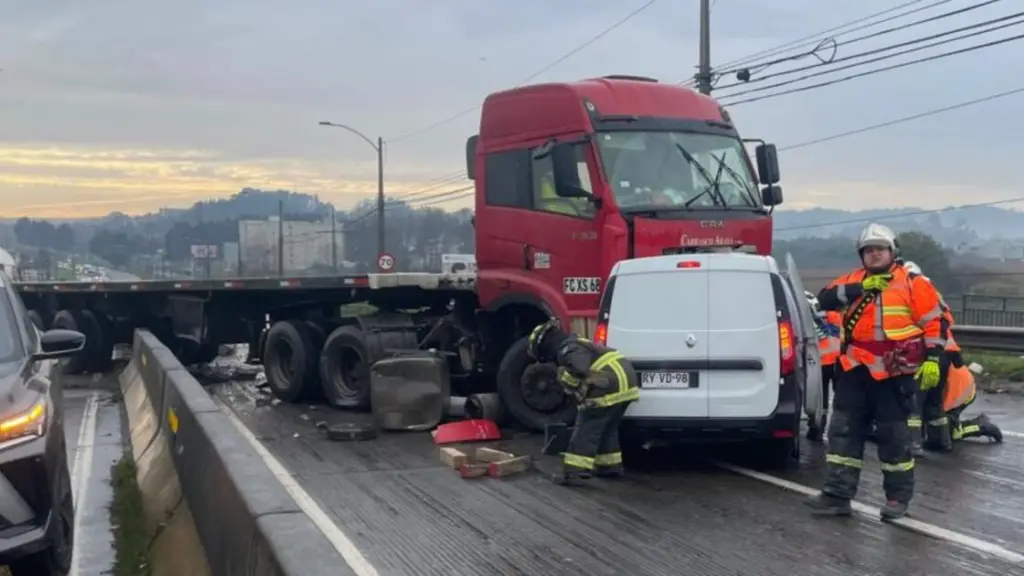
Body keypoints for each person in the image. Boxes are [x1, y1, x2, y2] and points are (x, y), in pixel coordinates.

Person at [804, 223, 947, 520]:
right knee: (843, 434)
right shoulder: (853, 280)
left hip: (894, 373)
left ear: (892, 252)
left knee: (894, 437)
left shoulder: (912, 282)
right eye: (869, 250)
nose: (874, 254)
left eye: (880, 249)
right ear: (861, 255)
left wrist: (933, 358)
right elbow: (824, 298)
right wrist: (860, 288)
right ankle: (836, 495)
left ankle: (897, 499)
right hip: (854, 369)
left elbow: (935, 323)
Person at [526, 318, 640, 485]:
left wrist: (567, 382)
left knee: (587, 426)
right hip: (626, 382)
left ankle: (575, 471)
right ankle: (609, 466)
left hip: (608, 383)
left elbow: (580, 368)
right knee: (607, 428)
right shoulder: (579, 342)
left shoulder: (567, 349)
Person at [805, 291, 840, 442]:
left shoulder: (808, 322)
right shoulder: (835, 316)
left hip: (820, 364)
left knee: (820, 399)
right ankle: (841, 428)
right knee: (841, 399)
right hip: (839, 363)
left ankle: (817, 428)